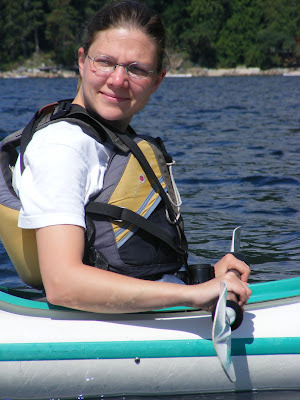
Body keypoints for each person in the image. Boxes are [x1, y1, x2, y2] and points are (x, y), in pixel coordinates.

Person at [11, 0, 251, 313]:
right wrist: (193, 296)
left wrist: (200, 280)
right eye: (105, 62)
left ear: (158, 79)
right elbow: (62, 283)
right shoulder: (64, 146)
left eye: (136, 69)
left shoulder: (104, 137)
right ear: (82, 61)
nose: (118, 79)